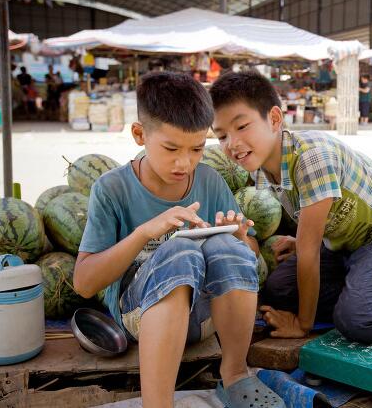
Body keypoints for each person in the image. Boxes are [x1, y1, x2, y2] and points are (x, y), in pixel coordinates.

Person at [210, 70, 372, 345]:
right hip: (348, 247)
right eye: (222, 135)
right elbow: (316, 228)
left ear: (274, 119)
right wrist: (300, 241)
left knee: (358, 319)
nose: (232, 144)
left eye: (241, 127)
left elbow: (310, 255)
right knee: (280, 289)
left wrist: (303, 325)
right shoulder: (264, 168)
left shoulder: (312, 158)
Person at [74, 72, 285, 408]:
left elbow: (251, 255)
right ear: (140, 135)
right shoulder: (111, 188)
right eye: (171, 148)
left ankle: (235, 376)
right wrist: (145, 232)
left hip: (203, 317)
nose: (184, 163)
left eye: (198, 148)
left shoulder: (209, 180)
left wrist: (242, 239)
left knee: (227, 246)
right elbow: (84, 283)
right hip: (140, 319)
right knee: (181, 251)